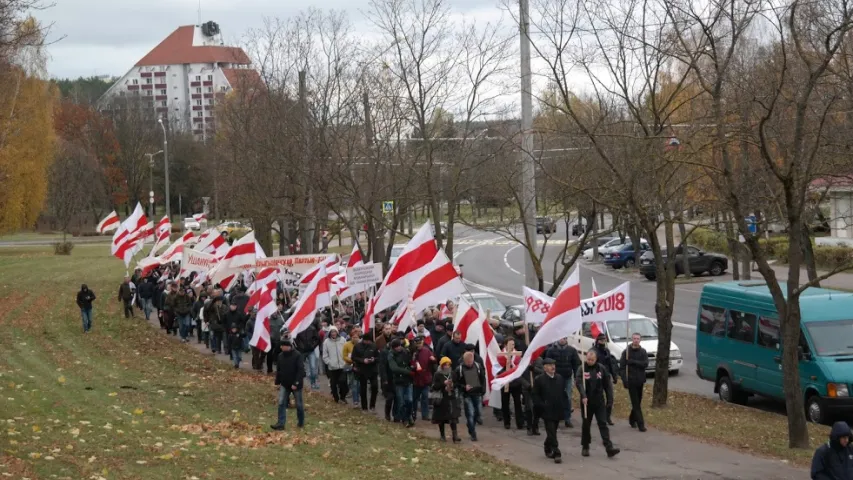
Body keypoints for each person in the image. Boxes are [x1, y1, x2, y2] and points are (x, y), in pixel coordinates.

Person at [576, 350, 620, 458]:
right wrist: (583, 395)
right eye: (588, 359)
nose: (590, 361)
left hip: (599, 401)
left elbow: (607, 384)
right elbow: (579, 382)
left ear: (596, 359)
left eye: (592, 360)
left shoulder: (601, 368)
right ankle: (585, 446)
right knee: (586, 424)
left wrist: (610, 398)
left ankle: (609, 447)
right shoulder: (582, 368)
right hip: (587, 402)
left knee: (603, 423)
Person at [533, 358, 566, 463]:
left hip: (557, 409)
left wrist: (566, 406)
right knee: (551, 430)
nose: (553, 367)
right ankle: (556, 452)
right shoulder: (539, 379)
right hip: (546, 410)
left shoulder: (559, 378)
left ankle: (547, 446)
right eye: (550, 365)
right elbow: (535, 395)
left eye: (554, 365)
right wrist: (542, 405)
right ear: (545, 367)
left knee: (553, 431)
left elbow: (563, 393)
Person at [545, 337, 581, 427]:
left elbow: (576, 364)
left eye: (564, 338)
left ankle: (567, 418)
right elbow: (546, 363)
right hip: (554, 378)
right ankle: (554, 416)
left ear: (566, 339)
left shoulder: (572, 350)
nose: (562, 340)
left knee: (567, 397)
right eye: (561, 338)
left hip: (567, 377)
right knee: (554, 397)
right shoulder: (551, 350)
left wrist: (577, 376)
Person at [271, 338, 305, 430]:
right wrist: (277, 382)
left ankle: (301, 422)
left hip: (296, 385)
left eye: (284, 346)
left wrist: (296, 383)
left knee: (299, 405)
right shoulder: (280, 356)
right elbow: (279, 370)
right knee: (281, 403)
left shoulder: (297, 355)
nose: (282, 348)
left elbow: (301, 370)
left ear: (289, 346)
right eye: (282, 346)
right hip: (284, 384)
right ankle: (280, 423)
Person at [620, 332, 649, 432]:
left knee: (638, 402)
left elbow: (645, 364)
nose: (636, 340)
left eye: (638, 338)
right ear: (632, 339)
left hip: (640, 381)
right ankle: (641, 424)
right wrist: (624, 380)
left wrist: (633, 362)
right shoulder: (626, 352)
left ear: (640, 340)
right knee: (635, 403)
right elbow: (622, 367)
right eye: (634, 338)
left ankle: (632, 419)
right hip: (631, 381)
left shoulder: (643, 352)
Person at [453, 351, 485, 442]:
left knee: (478, 413)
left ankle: (471, 424)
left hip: (477, 393)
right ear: (465, 361)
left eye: (471, 362)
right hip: (467, 394)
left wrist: (483, 390)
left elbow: (483, 378)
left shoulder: (478, 366)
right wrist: (464, 387)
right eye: (468, 363)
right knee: (470, 413)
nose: (470, 364)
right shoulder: (459, 369)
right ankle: (473, 433)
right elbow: (456, 383)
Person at [431, 357, 461, 442]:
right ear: (442, 365)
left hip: (451, 397)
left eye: (448, 364)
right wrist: (443, 384)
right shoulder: (437, 374)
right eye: (445, 365)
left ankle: (455, 435)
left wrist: (453, 385)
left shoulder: (452, 373)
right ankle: (442, 435)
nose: (447, 366)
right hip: (441, 398)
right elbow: (434, 386)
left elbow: (457, 383)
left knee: (453, 417)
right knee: (441, 418)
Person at [498, 338, 525, 430]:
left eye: (513, 344)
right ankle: (507, 422)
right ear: (505, 345)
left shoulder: (517, 355)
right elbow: (498, 368)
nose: (512, 346)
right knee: (505, 403)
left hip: (515, 382)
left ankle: (520, 422)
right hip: (505, 381)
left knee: (517, 402)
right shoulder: (501, 355)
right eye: (510, 344)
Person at [387, 339, 415, 427]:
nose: (399, 348)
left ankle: (409, 415)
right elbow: (394, 368)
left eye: (399, 346)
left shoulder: (406, 352)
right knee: (401, 402)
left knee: (410, 400)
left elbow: (410, 362)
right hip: (399, 381)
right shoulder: (391, 355)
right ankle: (405, 419)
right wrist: (407, 371)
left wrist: (413, 366)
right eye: (397, 347)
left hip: (408, 380)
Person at [593, 333, 618, 425]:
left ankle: (607, 416)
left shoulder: (607, 351)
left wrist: (614, 375)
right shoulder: (594, 351)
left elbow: (610, 364)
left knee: (610, 398)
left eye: (604, 340)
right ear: (597, 341)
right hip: (597, 377)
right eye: (601, 340)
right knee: (599, 399)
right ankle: (601, 417)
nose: (603, 342)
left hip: (607, 377)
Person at [352, 331, 380, 411]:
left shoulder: (374, 346)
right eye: (367, 341)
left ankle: (372, 405)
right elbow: (354, 357)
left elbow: (378, 357)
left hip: (373, 370)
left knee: (375, 387)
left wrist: (373, 359)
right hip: (362, 370)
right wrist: (362, 360)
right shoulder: (357, 346)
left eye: (369, 341)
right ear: (363, 340)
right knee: (363, 389)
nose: (368, 342)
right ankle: (364, 407)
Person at [411, 335, 436, 422]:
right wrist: (414, 366)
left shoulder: (427, 351)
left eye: (420, 343)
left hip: (425, 377)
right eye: (417, 343)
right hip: (417, 378)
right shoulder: (413, 352)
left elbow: (433, 360)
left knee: (425, 398)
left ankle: (425, 415)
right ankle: (413, 414)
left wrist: (433, 359)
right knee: (414, 398)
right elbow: (412, 364)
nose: (419, 345)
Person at [322, 326, 349, 403]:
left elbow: (346, 351)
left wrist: (346, 360)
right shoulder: (326, 342)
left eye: (335, 332)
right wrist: (329, 362)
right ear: (330, 333)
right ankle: (336, 398)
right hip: (332, 367)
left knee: (343, 382)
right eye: (332, 332)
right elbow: (325, 355)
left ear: (337, 332)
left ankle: (343, 396)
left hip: (342, 365)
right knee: (333, 384)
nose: (333, 333)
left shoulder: (343, 340)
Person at [295, 320, 321, 390]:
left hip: (311, 351)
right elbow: (295, 339)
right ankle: (299, 383)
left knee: (313, 367)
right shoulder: (298, 329)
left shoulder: (312, 328)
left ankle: (313, 383)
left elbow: (317, 339)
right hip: (302, 351)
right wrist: (300, 347)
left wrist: (313, 346)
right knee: (300, 367)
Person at [225, 301, 246, 368]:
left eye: (234, 306)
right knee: (231, 344)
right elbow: (224, 321)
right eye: (231, 305)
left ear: (236, 307)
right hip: (229, 331)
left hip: (238, 331)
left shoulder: (239, 314)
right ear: (230, 306)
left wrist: (239, 328)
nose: (233, 307)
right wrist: (227, 328)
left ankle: (237, 359)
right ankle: (233, 358)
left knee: (238, 345)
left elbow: (242, 321)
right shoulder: (227, 314)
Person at [343, 329, 361, 408]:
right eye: (353, 337)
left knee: (359, 385)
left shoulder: (361, 345)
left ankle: (358, 396)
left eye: (356, 337)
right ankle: (355, 401)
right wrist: (352, 360)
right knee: (353, 384)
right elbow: (344, 356)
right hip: (350, 366)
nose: (355, 338)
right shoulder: (347, 345)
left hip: (360, 367)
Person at [267, 302, 286, 374]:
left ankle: (279, 370)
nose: (274, 313)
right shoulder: (268, 320)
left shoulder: (281, 319)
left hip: (279, 340)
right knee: (269, 355)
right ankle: (269, 369)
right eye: (273, 312)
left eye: (275, 312)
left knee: (279, 356)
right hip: (270, 340)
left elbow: (284, 328)